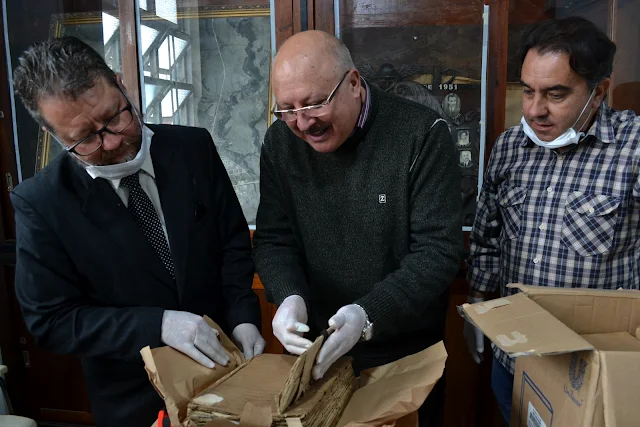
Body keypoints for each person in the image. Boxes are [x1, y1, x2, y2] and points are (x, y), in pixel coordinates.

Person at [11, 36, 265, 427]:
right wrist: (158, 325)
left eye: (115, 117)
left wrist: (243, 317)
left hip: (227, 369)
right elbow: (51, 320)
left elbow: (231, 243)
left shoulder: (192, 148)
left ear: (120, 83)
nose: (113, 141)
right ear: (53, 134)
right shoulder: (42, 203)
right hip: (134, 400)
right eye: (85, 138)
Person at [252, 30, 462, 427]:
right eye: (287, 109)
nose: (303, 123)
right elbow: (273, 239)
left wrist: (367, 315)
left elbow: (438, 251)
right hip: (315, 351)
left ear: (353, 84)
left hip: (402, 353)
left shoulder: (421, 134)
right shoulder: (281, 142)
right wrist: (289, 295)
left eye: (314, 104)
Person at [465, 16, 640, 423]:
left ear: (598, 92)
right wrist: (477, 304)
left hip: (591, 371)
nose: (534, 111)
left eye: (555, 94)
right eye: (528, 91)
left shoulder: (632, 148)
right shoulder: (510, 147)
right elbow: (488, 238)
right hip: (513, 358)